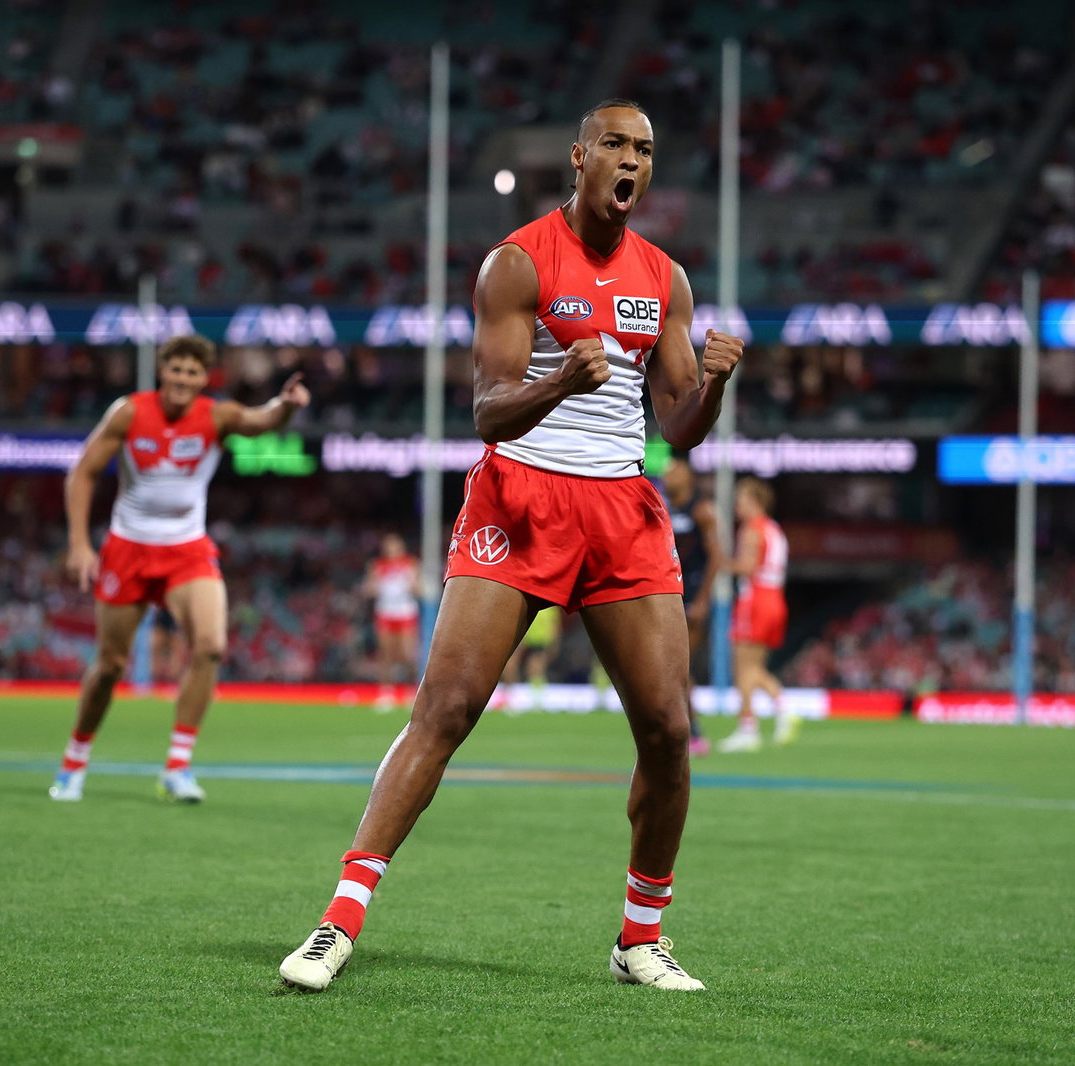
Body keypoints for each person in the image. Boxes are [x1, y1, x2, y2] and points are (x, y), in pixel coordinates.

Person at [279, 99, 744, 992]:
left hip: (621, 508)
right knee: (446, 708)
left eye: (645, 150)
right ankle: (339, 919)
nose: (631, 161)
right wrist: (563, 378)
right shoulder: (518, 263)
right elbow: (488, 409)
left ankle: (639, 939)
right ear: (579, 157)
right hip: (520, 494)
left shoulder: (666, 280)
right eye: (615, 144)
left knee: (668, 732)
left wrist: (713, 388)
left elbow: (682, 429)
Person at [48, 335, 310, 803]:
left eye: (192, 372)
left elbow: (260, 420)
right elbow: (82, 471)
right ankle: (74, 761)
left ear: (203, 378)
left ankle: (177, 765)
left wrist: (286, 406)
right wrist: (78, 544)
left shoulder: (216, 414)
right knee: (109, 665)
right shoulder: (128, 411)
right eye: (176, 369)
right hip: (128, 547)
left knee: (210, 646)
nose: (183, 379)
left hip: (187, 548)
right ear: (162, 371)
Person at [718, 477, 792, 753]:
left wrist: (722, 564)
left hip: (756, 599)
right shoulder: (775, 530)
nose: (737, 506)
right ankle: (783, 708)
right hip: (775, 598)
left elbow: (748, 567)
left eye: (741, 500)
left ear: (755, 501)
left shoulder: (751, 530)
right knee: (756, 668)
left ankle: (747, 727)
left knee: (744, 668)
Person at [662, 455, 725, 756]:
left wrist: (703, 601)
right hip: (671, 593)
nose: (668, 475)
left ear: (688, 477)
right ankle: (680, 727)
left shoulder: (701, 510)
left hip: (694, 595)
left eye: (674, 471)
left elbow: (716, 556)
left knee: (680, 668)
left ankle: (693, 732)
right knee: (670, 666)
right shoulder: (665, 507)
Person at [364, 533, 420, 711]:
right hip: (386, 612)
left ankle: (412, 691)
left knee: (408, 654)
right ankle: (386, 691)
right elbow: (369, 590)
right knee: (386, 653)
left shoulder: (410, 563)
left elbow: (419, 588)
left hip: (405, 612)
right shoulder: (377, 565)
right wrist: (373, 583)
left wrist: (413, 583)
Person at [496, 606, 560, 712]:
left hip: (540, 640)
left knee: (535, 670)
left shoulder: (550, 608)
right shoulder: (528, 603)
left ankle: (538, 702)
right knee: (509, 665)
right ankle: (511, 698)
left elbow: (555, 627)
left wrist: (553, 644)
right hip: (523, 638)